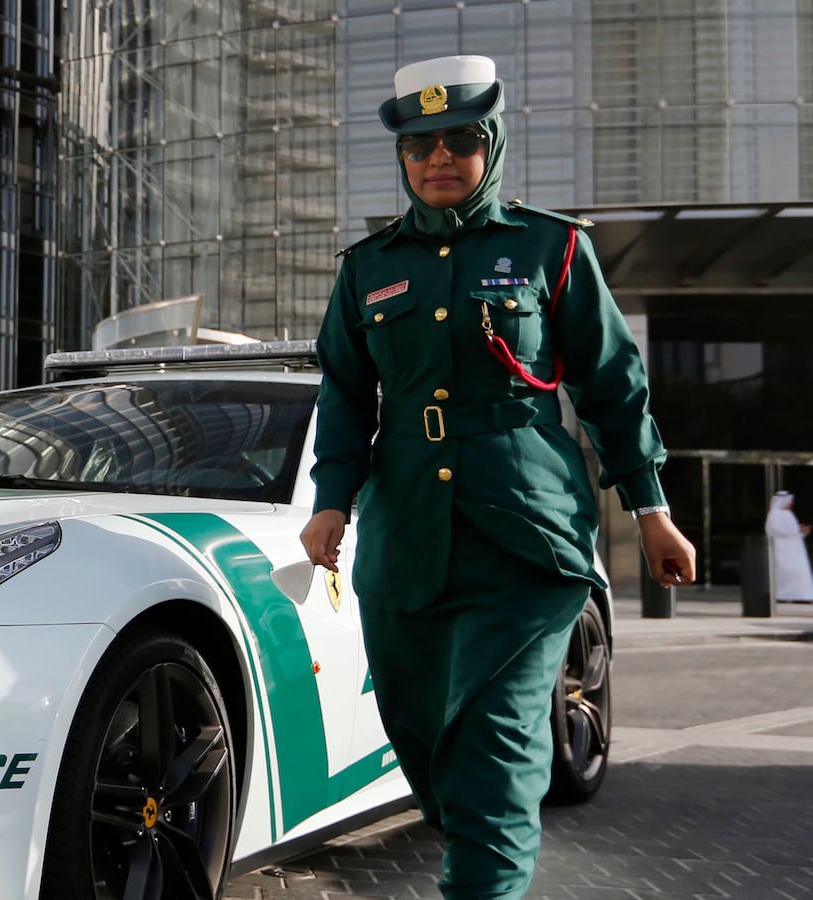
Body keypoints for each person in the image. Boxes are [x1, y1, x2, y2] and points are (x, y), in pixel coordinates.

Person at [298, 55, 695, 900]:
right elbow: (343, 390)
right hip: (406, 537)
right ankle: (476, 839)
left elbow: (613, 386)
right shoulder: (366, 267)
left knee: (490, 753)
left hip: (526, 540)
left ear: (493, 143)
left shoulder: (551, 247)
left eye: (459, 140)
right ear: (402, 159)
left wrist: (650, 507)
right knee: (423, 742)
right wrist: (332, 498)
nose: (439, 158)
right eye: (419, 146)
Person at [765, 491, 813, 601]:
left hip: (796, 550)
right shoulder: (774, 514)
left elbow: (793, 531)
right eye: (790, 500)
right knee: (786, 572)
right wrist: (797, 529)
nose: (791, 503)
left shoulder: (789, 514)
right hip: (782, 549)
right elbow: (776, 530)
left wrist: (802, 531)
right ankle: (783, 595)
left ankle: (802, 596)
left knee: (799, 572)